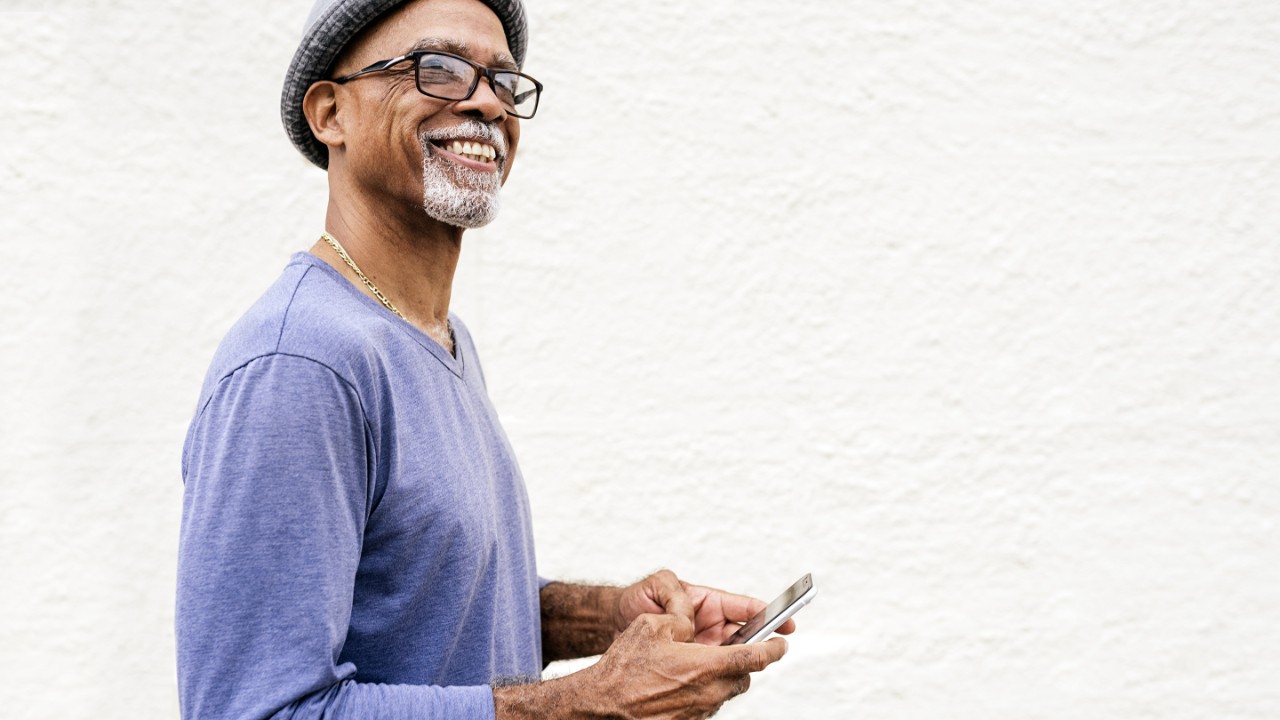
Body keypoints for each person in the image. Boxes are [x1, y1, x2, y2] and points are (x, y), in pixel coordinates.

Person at [176, 0, 792, 717]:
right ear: (329, 114)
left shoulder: (438, 337)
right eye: (437, 69)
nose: (484, 102)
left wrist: (608, 619)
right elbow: (253, 710)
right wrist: (591, 700)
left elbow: (429, 610)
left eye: (504, 82)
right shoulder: (303, 362)